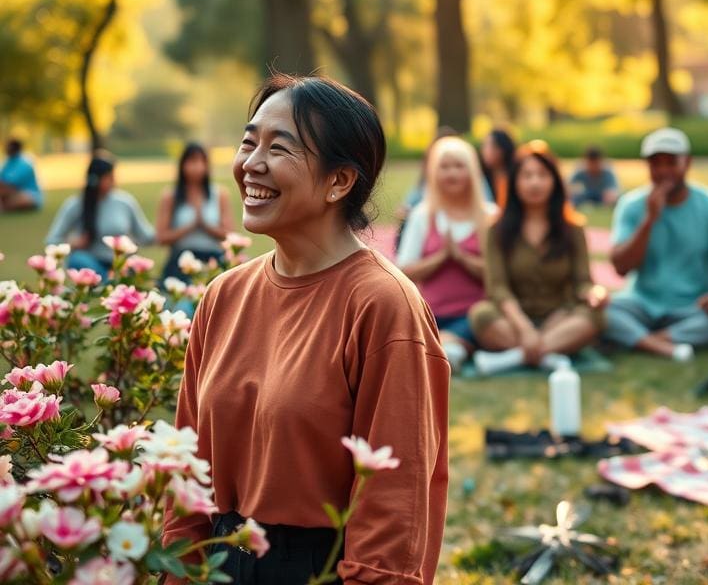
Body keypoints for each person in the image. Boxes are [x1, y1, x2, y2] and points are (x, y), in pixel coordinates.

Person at [163, 74, 448, 584]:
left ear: (339, 182)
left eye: (279, 148)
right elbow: (188, 465)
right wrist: (181, 571)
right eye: (249, 142)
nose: (251, 164)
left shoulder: (384, 307)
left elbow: (396, 500)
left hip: (320, 569)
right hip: (221, 561)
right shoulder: (222, 297)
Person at [603, 127, 708, 361]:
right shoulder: (632, 205)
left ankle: (649, 339)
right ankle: (663, 345)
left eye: (671, 163)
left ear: (687, 163)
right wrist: (648, 221)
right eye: (656, 164)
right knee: (601, 313)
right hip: (641, 303)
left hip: (692, 308)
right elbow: (620, 266)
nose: (663, 171)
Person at [468, 141, 606, 375]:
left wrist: (595, 294)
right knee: (480, 314)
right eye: (527, 176)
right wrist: (524, 329)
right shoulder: (497, 229)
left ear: (554, 181)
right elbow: (497, 288)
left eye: (542, 175)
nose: (535, 183)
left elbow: (583, 281)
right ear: (514, 182)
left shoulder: (573, 228)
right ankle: (548, 354)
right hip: (513, 320)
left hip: (560, 317)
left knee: (595, 316)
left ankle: (514, 358)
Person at [395, 135, 498, 372]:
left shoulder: (490, 216)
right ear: (433, 172)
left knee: (443, 350)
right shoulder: (422, 215)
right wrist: (441, 257)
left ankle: (445, 351)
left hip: (474, 317)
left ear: (472, 171)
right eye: (445, 167)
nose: (452, 174)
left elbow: (501, 273)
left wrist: (462, 257)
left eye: (459, 166)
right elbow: (404, 271)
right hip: (428, 314)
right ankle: (444, 349)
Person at [45, 154, 154, 278]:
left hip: (122, 264)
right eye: (109, 177)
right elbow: (52, 240)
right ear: (96, 179)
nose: (114, 180)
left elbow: (146, 236)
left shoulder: (125, 202)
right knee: (78, 259)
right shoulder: (77, 204)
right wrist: (73, 244)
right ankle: (106, 285)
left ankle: (111, 284)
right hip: (92, 264)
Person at [156, 143, 236, 281]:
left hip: (213, 260)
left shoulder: (219, 194)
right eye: (192, 161)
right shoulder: (171, 196)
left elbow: (229, 234)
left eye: (201, 161)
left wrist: (205, 225)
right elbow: (162, 237)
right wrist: (190, 227)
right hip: (181, 261)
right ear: (182, 165)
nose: (197, 167)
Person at [0, 138, 42, 212]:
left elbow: (12, 184)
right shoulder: (7, 163)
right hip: (11, 195)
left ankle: (6, 206)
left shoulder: (25, 164)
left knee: (23, 199)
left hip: (29, 195)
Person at [480, 128, 516, 208]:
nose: (485, 151)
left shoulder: (516, 176)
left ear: (502, 149)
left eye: (490, 146)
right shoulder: (480, 178)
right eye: (484, 145)